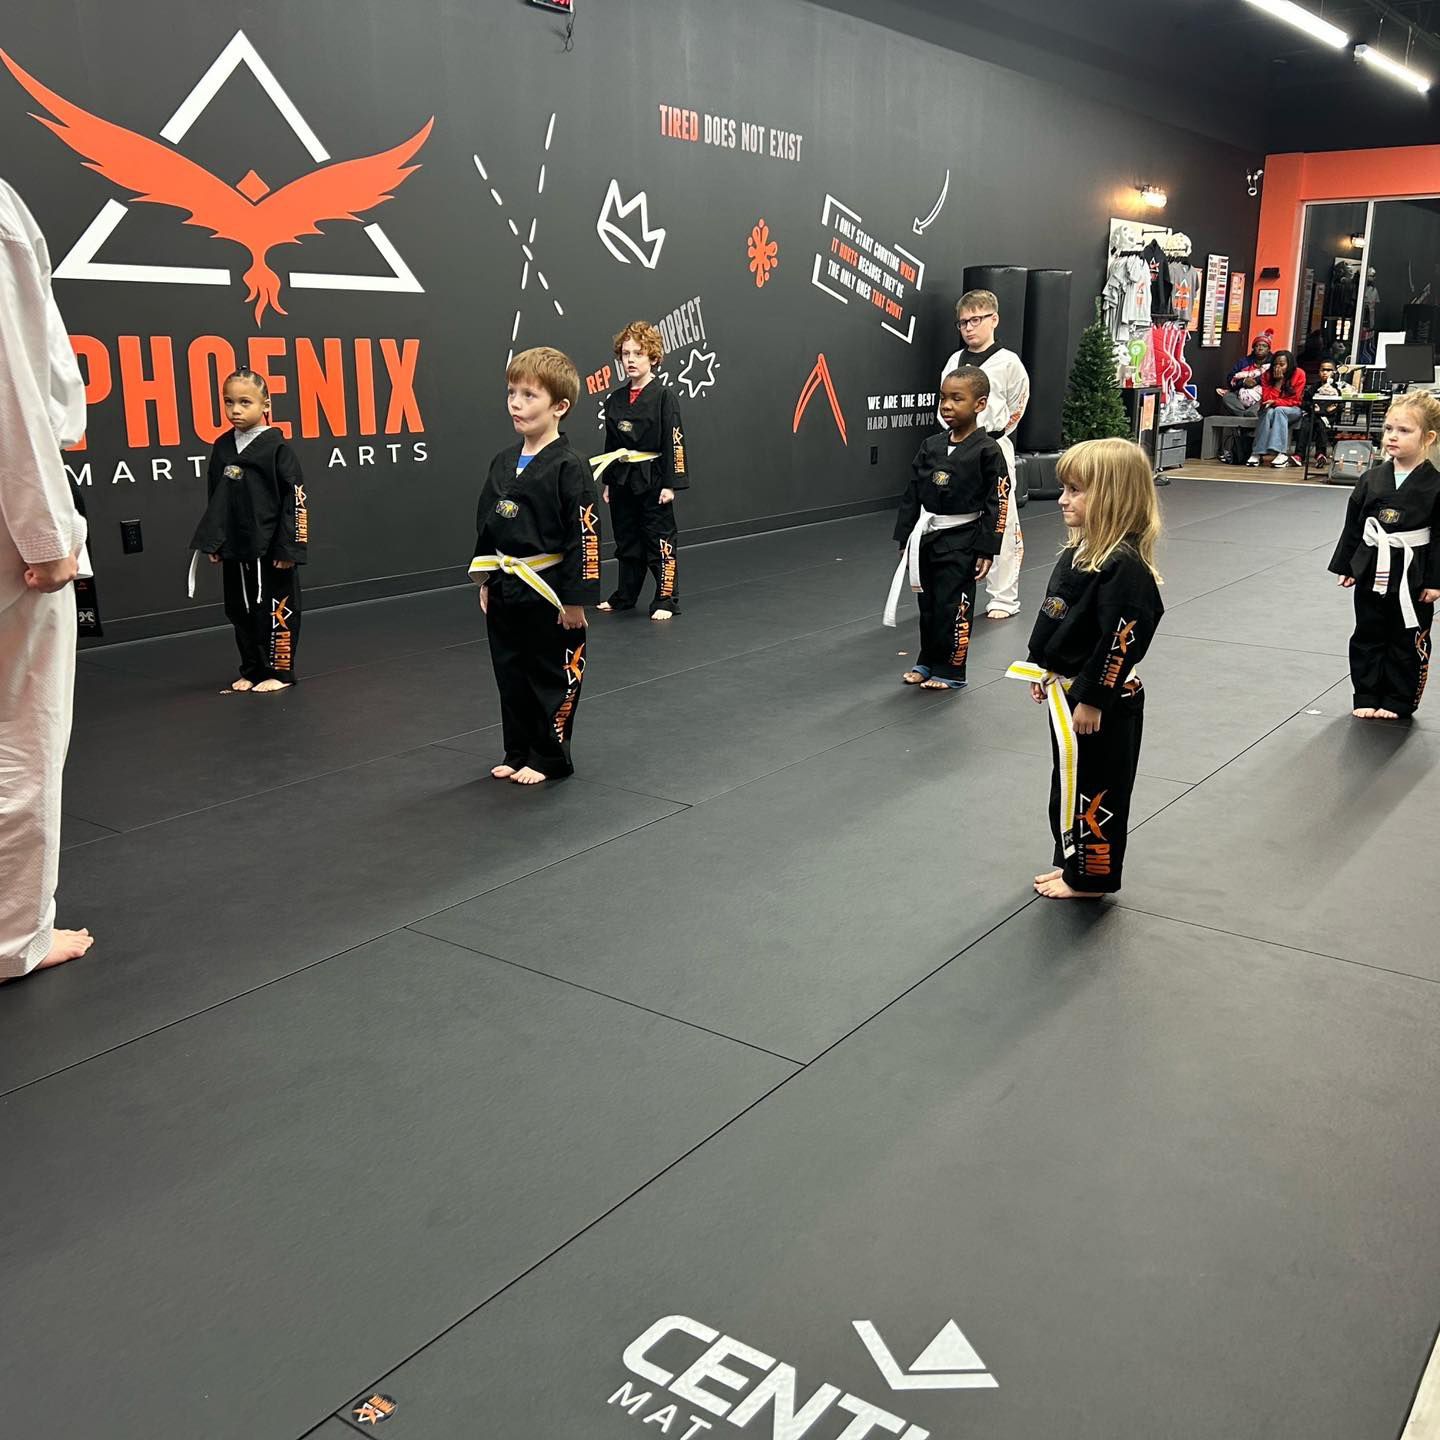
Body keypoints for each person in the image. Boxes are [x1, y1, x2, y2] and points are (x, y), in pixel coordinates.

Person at [0, 175, 92, 983]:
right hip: (10, 522)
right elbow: (11, 380)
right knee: (24, 729)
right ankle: (14, 937)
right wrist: (46, 529)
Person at [1006, 438, 1164, 900]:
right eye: (1064, 489)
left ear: (1112, 495)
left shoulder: (1125, 568)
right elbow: (1059, 616)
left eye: (1075, 490)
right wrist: (1044, 667)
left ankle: (1092, 878)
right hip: (1070, 693)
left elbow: (1120, 639)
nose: (1062, 499)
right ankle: (1071, 864)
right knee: (1070, 782)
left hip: (1105, 703)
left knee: (1099, 792)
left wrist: (1095, 697)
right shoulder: (1080, 552)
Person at [471, 346, 599, 784]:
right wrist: (486, 578)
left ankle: (549, 755)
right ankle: (518, 748)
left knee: (551, 672)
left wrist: (577, 600)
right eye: (512, 393)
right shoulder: (502, 462)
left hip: (549, 588)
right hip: (507, 582)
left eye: (529, 395)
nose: (516, 403)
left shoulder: (570, 466)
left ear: (559, 407)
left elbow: (584, 535)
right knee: (510, 669)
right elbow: (487, 523)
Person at [885, 366, 1008, 690]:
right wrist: (905, 537)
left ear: (979, 404)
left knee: (954, 605)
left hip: (962, 539)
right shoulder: (931, 445)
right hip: (927, 537)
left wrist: (987, 548)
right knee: (927, 605)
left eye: (957, 399)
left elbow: (998, 501)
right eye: (943, 398)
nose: (947, 406)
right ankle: (927, 661)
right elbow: (913, 492)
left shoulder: (987, 451)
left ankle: (951, 669)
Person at [189, 369, 308, 691]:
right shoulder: (223, 446)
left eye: (245, 402)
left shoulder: (277, 449)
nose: (236, 410)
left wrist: (290, 548)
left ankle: (279, 673)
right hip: (236, 546)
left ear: (265, 403)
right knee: (240, 609)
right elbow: (216, 498)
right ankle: (253, 668)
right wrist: (215, 541)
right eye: (229, 403)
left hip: (270, 547)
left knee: (276, 608)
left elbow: (295, 501)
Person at [1327, 391, 1440, 721]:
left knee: (1408, 637)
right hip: (1372, 565)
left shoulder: (1435, 485)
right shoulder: (1371, 478)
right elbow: (1354, 526)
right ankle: (1366, 692)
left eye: (1404, 430)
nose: (1392, 436)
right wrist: (1347, 565)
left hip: (1413, 571)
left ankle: (1399, 698)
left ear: (1428, 437)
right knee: (1367, 632)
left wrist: (1436, 580)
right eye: (1389, 428)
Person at [938, 290, 1029, 619]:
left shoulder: (1008, 363)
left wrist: (994, 436)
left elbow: (1018, 405)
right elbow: (944, 403)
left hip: (993, 447)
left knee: (1000, 521)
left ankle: (1004, 597)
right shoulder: (954, 361)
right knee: (956, 517)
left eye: (975, 320)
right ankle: (955, 585)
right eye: (963, 322)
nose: (969, 328)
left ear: (994, 319)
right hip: (958, 448)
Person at [595, 321, 688, 621]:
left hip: (653, 478)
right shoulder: (615, 399)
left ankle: (666, 599)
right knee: (627, 539)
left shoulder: (663, 396)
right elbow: (611, 442)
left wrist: (671, 484)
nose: (631, 359)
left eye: (638, 353)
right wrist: (609, 480)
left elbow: (674, 440)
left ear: (653, 357)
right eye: (626, 353)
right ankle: (625, 595)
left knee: (659, 540)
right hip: (622, 478)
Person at [1248, 349, 1306, 468]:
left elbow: (1295, 400)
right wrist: (1278, 383)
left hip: (1293, 410)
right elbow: (1266, 399)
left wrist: (1276, 401)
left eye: (1282, 365)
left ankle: (1281, 453)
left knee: (1279, 410)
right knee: (1269, 412)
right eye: (1275, 364)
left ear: (1289, 365)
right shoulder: (1267, 375)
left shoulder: (1299, 374)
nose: (1277, 368)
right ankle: (1257, 453)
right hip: (1271, 409)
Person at [1300, 359, 1342, 468]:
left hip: (1330, 417)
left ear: (1334, 372)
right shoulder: (1314, 387)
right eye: (1323, 370)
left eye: (1329, 370)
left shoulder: (1338, 388)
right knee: (1305, 424)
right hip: (1313, 414)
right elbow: (1305, 402)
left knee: (1320, 425)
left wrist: (1326, 411)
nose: (1325, 373)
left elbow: (1339, 405)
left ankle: (1321, 453)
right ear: (1319, 371)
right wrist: (1312, 407)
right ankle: (1299, 455)